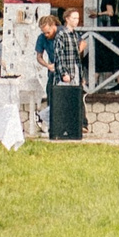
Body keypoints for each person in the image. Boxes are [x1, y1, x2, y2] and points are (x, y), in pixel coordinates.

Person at [38, 12, 88, 141]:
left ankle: (81, 123)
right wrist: (48, 65)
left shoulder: (64, 32)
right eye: (44, 33)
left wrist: (74, 54)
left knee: (74, 95)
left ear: (53, 26)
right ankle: (53, 123)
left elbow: (83, 43)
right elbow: (39, 56)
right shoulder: (42, 38)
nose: (46, 35)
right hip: (54, 70)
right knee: (52, 95)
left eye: (48, 32)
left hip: (69, 69)